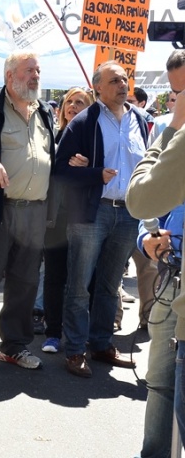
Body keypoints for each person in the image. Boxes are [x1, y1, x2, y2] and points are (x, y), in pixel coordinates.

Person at [55, 60, 148, 377]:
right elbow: (61, 170)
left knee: (110, 284)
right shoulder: (84, 122)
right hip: (92, 212)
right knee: (79, 285)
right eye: (114, 80)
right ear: (98, 87)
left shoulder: (140, 120)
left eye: (124, 79)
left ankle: (101, 344)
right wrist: (95, 174)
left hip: (129, 213)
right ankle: (75, 349)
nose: (123, 85)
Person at [0, 51, 55, 373]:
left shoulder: (45, 111)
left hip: (35, 212)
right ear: (9, 76)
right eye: (29, 70)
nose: (35, 76)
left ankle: (14, 346)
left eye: (38, 70)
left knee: (25, 283)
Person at [127, 48, 185, 457]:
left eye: (183, 93)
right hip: (170, 277)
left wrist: (173, 132)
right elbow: (148, 215)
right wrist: (146, 239)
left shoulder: (174, 131)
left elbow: (140, 197)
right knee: (161, 384)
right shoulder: (166, 127)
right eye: (174, 92)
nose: (176, 101)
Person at [41, 87, 93, 355]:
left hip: (86, 218)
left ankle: (81, 333)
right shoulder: (51, 136)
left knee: (84, 280)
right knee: (54, 276)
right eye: (69, 102)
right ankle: (52, 333)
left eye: (80, 102)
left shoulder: (95, 138)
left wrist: (88, 166)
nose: (73, 106)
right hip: (56, 218)